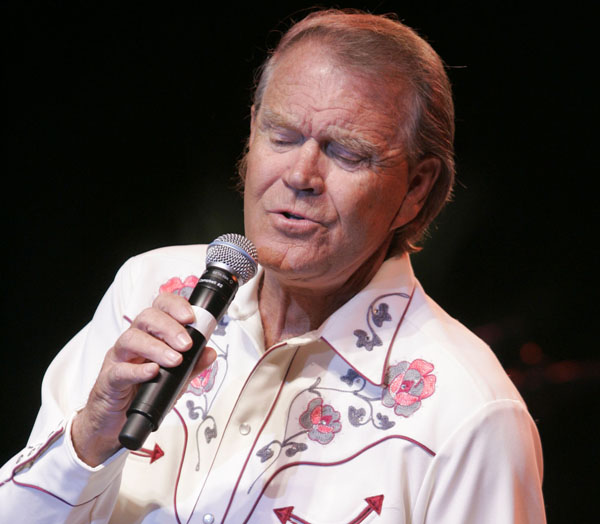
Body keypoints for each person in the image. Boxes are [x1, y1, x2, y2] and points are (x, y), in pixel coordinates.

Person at [0, 9, 546, 523]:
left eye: (346, 153)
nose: (301, 174)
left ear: (417, 188)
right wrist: (89, 438)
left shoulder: (472, 414)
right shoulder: (148, 290)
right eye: (281, 137)